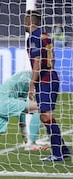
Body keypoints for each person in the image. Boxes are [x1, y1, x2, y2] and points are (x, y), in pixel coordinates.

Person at [24, 10, 71, 162]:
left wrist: (32, 84)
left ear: (28, 22)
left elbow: (37, 61)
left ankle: (57, 154)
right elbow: (52, 58)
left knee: (46, 115)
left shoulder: (34, 37)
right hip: (51, 76)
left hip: (45, 79)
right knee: (46, 116)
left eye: (25, 21)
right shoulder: (46, 36)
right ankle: (63, 150)